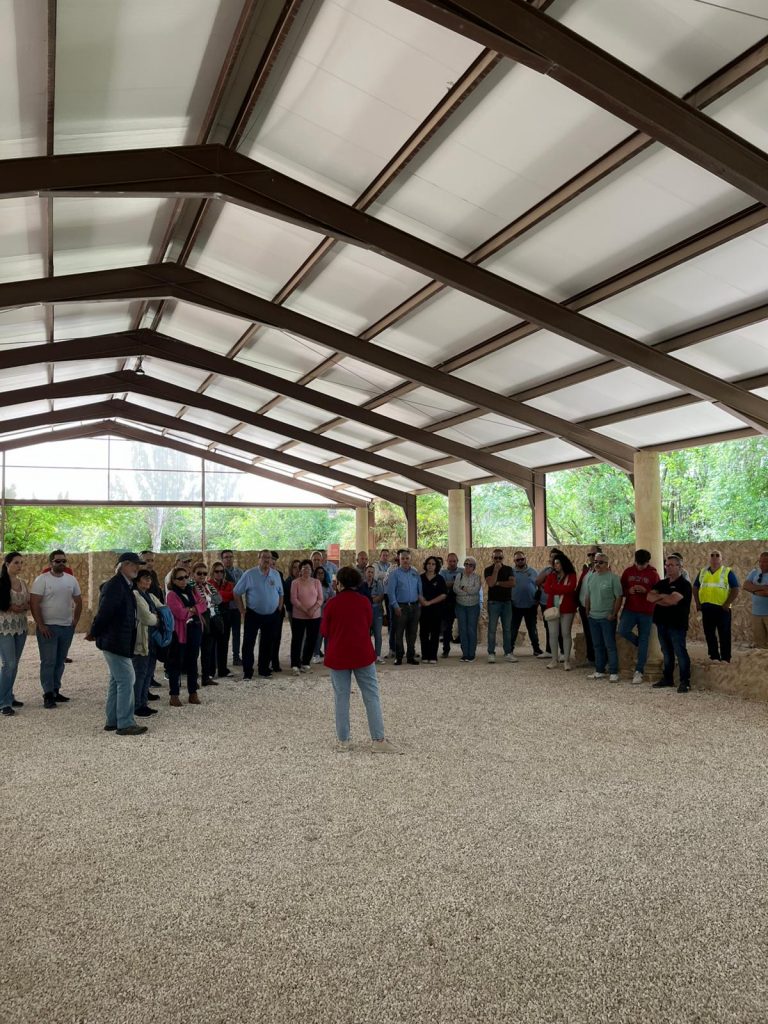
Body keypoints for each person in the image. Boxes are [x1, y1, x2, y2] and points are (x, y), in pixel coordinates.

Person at [320, 566, 398, 754]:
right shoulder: (364, 601)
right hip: (362, 653)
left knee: (341, 697)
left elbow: (324, 630)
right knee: (371, 695)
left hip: (338, 655)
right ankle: (378, 739)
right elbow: (368, 623)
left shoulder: (331, 603)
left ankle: (343, 740)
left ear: (339, 583)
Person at [86, 553, 147, 736]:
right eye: (133, 564)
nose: (136, 568)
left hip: (118, 639)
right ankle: (125, 723)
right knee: (127, 679)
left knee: (117, 680)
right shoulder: (115, 586)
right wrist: (94, 632)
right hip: (115, 640)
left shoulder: (123, 585)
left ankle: (113, 720)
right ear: (124, 565)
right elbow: (104, 613)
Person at [29, 550, 82, 709]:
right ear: (50, 562)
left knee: (60, 661)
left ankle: (55, 690)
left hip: (66, 627)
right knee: (48, 661)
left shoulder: (71, 580)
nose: (61, 564)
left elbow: (79, 601)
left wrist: (75, 621)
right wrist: (41, 625)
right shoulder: (42, 580)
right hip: (48, 627)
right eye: (57, 561)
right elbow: (34, 603)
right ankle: (47, 694)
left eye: (63, 561)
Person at [234, 549, 284, 680]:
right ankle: (247, 672)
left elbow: (281, 593)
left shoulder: (276, 574)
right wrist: (242, 610)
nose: (267, 560)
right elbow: (236, 592)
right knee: (248, 643)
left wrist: (278, 608)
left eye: (269, 558)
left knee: (267, 643)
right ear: (259, 559)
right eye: (264, 557)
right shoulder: (249, 574)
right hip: (253, 614)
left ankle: (264, 669)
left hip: (272, 615)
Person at [647, 555, 693, 693]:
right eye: (667, 565)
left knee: (680, 652)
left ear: (680, 567)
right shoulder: (662, 583)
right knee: (666, 652)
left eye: (672, 565)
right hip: (662, 622)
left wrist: (660, 597)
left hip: (677, 624)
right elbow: (649, 597)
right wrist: (664, 597)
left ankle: (685, 681)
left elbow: (672, 601)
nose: (668, 567)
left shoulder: (684, 585)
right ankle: (668, 678)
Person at [165, 565, 207, 706]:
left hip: (195, 630)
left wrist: (191, 609)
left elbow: (204, 605)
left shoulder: (192, 590)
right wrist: (194, 609)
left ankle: (193, 693)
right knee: (176, 663)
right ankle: (174, 695)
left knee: (193, 662)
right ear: (173, 580)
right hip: (180, 633)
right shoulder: (172, 595)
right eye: (180, 578)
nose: (184, 580)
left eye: (186, 577)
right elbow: (180, 613)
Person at [618, 549, 660, 684]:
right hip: (630, 609)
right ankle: (640, 645)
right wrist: (628, 591)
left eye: (643, 564)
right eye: (638, 564)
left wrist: (646, 591)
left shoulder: (653, 574)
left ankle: (639, 671)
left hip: (647, 611)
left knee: (644, 638)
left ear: (648, 562)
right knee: (622, 630)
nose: (640, 567)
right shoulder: (628, 572)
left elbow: (658, 593)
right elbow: (620, 589)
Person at [582, 553, 623, 682]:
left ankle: (613, 671)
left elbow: (618, 597)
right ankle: (599, 670)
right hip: (593, 617)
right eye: (595, 562)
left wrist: (614, 614)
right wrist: (587, 611)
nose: (597, 565)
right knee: (597, 645)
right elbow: (588, 596)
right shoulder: (591, 577)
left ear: (607, 564)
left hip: (607, 617)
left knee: (609, 645)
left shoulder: (613, 578)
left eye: (600, 562)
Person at [694, 550, 740, 663]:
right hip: (707, 608)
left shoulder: (727, 572)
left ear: (721, 558)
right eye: (712, 555)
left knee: (724, 634)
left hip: (722, 608)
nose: (714, 557)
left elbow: (735, 589)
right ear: (709, 558)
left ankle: (725, 658)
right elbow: (695, 587)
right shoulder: (703, 572)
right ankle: (714, 656)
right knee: (709, 633)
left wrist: (727, 603)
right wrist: (698, 603)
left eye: (717, 555)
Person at [0, 552, 29, 717]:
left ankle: (9, 695)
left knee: (15, 664)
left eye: (21, 563)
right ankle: (3, 702)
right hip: (4, 628)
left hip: (21, 627)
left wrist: (25, 606)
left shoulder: (23, 583)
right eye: (16, 562)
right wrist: (11, 607)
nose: (19, 566)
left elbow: (28, 602)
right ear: (7, 564)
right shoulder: (1, 582)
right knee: (8, 664)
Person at [131, 568, 163, 719]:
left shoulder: (149, 596)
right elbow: (146, 618)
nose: (148, 581)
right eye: (145, 578)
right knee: (140, 674)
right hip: (141, 640)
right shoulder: (135, 595)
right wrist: (157, 618)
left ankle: (143, 703)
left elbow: (163, 610)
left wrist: (156, 616)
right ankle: (137, 705)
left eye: (149, 578)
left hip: (152, 640)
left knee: (148, 673)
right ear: (137, 580)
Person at [540, 552, 578, 670]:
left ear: (563, 563)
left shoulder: (571, 575)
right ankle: (554, 660)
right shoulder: (551, 575)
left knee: (566, 633)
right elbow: (546, 589)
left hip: (567, 608)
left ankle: (566, 660)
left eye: (558, 563)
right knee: (553, 634)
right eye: (554, 563)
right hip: (552, 608)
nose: (556, 565)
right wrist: (560, 589)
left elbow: (571, 588)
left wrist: (555, 588)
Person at [387, 549, 422, 665]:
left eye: (407, 558)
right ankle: (399, 656)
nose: (405, 560)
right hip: (400, 607)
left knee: (412, 633)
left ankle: (410, 656)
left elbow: (420, 589)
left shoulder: (415, 573)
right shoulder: (394, 574)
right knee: (399, 633)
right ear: (399, 559)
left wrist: (420, 603)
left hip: (414, 606)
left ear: (410, 559)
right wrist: (395, 606)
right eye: (403, 558)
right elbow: (391, 592)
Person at [509, 551, 546, 658]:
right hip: (515, 605)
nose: (520, 561)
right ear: (514, 561)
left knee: (532, 628)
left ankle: (536, 649)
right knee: (513, 629)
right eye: (518, 560)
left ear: (525, 559)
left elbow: (539, 586)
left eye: (522, 559)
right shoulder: (511, 572)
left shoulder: (533, 571)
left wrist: (537, 601)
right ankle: (509, 650)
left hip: (531, 605)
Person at [290, 559, 323, 675]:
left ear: (311, 570)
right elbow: (294, 599)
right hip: (299, 616)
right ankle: (295, 664)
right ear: (300, 570)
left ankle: (305, 663)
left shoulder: (316, 582)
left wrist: (312, 610)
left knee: (311, 639)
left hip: (314, 616)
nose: (306, 570)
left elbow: (320, 599)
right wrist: (305, 610)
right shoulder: (295, 582)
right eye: (304, 568)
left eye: (308, 568)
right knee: (297, 640)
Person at [484, 548, 517, 664]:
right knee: (492, 629)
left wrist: (498, 583)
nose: (498, 560)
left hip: (507, 602)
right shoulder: (488, 570)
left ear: (503, 558)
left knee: (507, 629)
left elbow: (512, 583)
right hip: (493, 603)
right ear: (492, 558)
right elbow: (491, 583)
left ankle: (508, 653)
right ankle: (491, 653)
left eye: (500, 557)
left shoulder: (509, 569)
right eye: (495, 557)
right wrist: (496, 571)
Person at [537, 549, 566, 659]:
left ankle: (563, 652)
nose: (553, 559)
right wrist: (546, 579)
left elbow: (561, 586)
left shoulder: (564, 571)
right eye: (551, 556)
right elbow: (537, 581)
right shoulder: (547, 570)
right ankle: (549, 651)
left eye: (555, 556)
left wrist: (547, 586)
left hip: (559, 603)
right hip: (546, 603)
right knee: (548, 627)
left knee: (560, 627)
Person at [208, 561, 235, 678]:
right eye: (217, 571)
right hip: (212, 616)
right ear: (212, 572)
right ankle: (210, 670)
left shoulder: (229, 584)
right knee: (212, 643)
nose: (219, 573)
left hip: (226, 615)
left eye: (221, 571)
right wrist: (223, 595)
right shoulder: (208, 584)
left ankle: (223, 669)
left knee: (224, 643)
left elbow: (232, 595)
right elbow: (210, 598)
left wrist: (218, 594)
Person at [454, 556, 483, 663]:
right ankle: (465, 653)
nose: (467, 566)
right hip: (460, 606)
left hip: (473, 607)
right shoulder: (459, 576)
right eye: (466, 564)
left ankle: (471, 654)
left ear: (474, 567)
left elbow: (475, 590)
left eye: (470, 565)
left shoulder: (477, 577)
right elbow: (455, 589)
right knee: (462, 629)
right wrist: (467, 591)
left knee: (471, 629)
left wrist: (463, 588)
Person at [576, 546, 602, 663]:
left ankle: (600, 659)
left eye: (594, 554)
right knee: (588, 631)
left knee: (597, 633)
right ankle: (591, 657)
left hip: (595, 606)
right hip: (583, 605)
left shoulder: (603, 570)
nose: (591, 556)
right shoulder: (587, 569)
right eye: (589, 554)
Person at [419, 556, 447, 664]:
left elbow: (443, 595)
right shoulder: (420, 578)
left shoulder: (440, 579)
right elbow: (417, 591)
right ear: (426, 565)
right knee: (424, 633)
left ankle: (433, 656)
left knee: (435, 633)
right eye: (429, 563)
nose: (430, 566)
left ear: (436, 566)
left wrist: (430, 602)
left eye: (433, 564)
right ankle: (425, 655)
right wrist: (422, 601)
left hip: (436, 610)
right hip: (423, 610)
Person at [221, 550, 244, 666]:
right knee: (223, 635)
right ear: (222, 559)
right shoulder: (218, 572)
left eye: (230, 557)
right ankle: (222, 659)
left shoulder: (240, 572)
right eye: (226, 557)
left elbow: (243, 589)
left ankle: (236, 657)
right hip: (223, 608)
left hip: (235, 607)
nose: (228, 559)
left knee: (236, 634)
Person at [359, 564, 385, 663]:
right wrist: (371, 599)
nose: (370, 574)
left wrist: (369, 600)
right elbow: (360, 598)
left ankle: (377, 655)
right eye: (368, 572)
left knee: (378, 634)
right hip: (364, 613)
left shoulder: (378, 583)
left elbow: (381, 596)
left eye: (372, 572)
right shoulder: (361, 585)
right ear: (365, 573)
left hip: (377, 611)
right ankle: (366, 654)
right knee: (365, 634)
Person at [744, 551, 768, 649]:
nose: (762, 564)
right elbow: (746, 585)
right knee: (760, 644)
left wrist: (753, 589)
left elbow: (767, 593)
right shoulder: (754, 572)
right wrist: (761, 588)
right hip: (756, 614)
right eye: (760, 561)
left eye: (765, 562)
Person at [439, 552, 461, 657]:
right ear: (447, 561)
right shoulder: (442, 572)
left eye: (454, 561)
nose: (452, 563)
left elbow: (465, 584)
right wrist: (457, 583)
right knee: (447, 628)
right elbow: (442, 585)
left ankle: (466, 651)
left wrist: (450, 584)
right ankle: (446, 650)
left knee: (463, 626)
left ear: (457, 561)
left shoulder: (462, 571)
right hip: (447, 602)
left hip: (461, 601)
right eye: (450, 561)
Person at [311, 565, 333, 663]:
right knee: (318, 636)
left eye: (322, 573)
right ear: (315, 575)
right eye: (318, 573)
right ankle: (316, 654)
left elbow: (333, 597)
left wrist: (328, 601)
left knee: (327, 636)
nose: (320, 575)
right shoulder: (312, 585)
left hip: (327, 614)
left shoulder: (328, 586)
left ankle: (328, 654)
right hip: (317, 614)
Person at [270, 552, 287, 673]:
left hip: (278, 610)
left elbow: (282, 591)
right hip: (266, 611)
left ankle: (275, 661)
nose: (273, 561)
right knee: (266, 637)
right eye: (271, 559)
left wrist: (280, 607)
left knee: (277, 637)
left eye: (274, 560)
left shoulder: (279, 574)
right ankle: (265, 660)